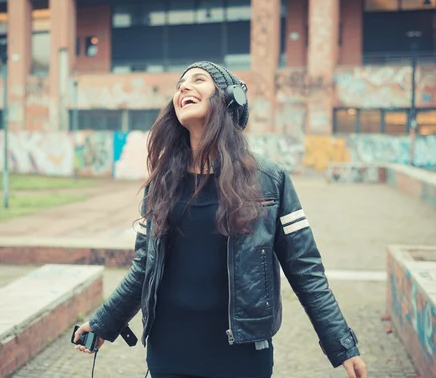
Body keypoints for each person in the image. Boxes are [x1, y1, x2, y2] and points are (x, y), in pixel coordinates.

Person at [74, 61, 367, 378]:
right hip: (169, 353)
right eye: (180, 84)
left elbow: (305, 268)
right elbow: (145, 266)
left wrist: (342, 346)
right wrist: (104, 323)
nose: (183, 87)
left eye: (198, 80)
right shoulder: (162, 183)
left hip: (241, 357)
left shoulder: (269, 179)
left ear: (230, 98)